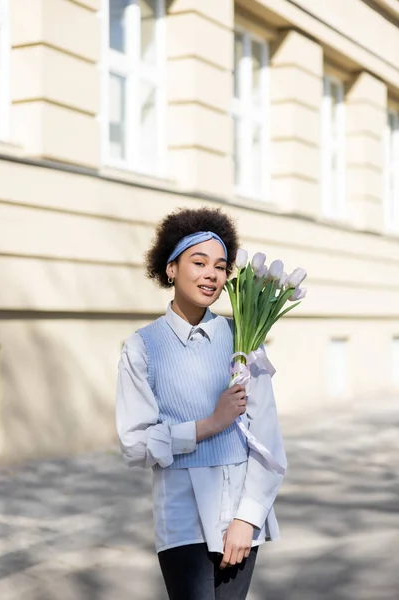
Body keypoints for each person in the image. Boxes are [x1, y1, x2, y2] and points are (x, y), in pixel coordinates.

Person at [116, 207, 287, 600]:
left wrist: (248, 517)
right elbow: (135, 445)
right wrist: (208, 424)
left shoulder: (244, 339)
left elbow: (268, 440)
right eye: (198, 262)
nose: (211, 273)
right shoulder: (142, 347)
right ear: (171, 268)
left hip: (240, 515)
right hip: (181, 520)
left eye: (220, 266)